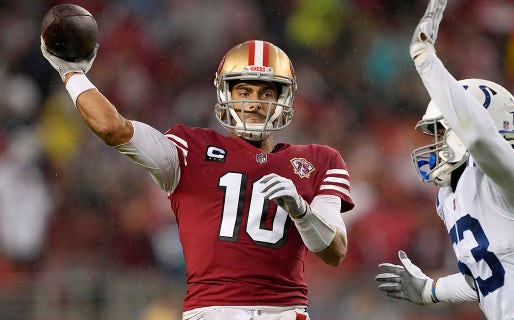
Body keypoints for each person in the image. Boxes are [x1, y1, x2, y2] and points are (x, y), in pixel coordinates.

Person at [40, 38, 354, 320]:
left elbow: (334, 251)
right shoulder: (191, 149)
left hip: (285, 312)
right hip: (213, 312)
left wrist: (301, 210)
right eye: (244, 91)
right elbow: (113, 129)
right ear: (225, 93)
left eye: (266, 92)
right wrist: (72, 73)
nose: (255, 103)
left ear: (284, 99)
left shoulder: (319, 160)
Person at [374, 1, 514, 319]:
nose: (435, 144)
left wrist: (425, 60)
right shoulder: (453, 192)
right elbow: (485, 277)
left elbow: (478, 137)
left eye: (442, 129)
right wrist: (430, 291)